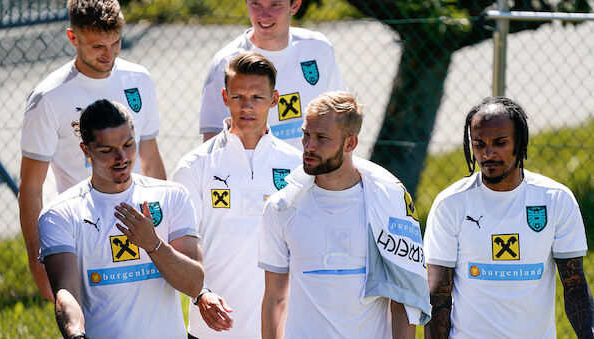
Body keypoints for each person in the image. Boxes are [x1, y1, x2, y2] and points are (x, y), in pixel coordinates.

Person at [19, 0, 166, 302]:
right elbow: (31, 188)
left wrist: (162, 231)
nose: (109, 54)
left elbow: (151, 159)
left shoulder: (138, 79)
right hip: (83, 237)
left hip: (138, 230)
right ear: (73, 38)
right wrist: (39, 262)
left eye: (116, 42)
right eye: (98, 46)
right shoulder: (48, 97)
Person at [258, 91, 431, 339]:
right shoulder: (282, 208)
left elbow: (403, 299)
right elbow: (274, 298)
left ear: (350, 144)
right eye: (306, 134)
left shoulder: (387, 206)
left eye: (322, 138)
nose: (309, 146)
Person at [424, 97, 592, 339]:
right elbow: (438, 296)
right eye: (479, 144)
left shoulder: (555, 199)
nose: (488, 154)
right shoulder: (450, 204)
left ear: (519, 142)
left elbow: (575, 286)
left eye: (500, 143)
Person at [38, 99, 203, 339]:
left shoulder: (172, 196)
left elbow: (194, 284)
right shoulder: (61, 214)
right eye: (107, 150)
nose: (122, 157)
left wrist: (153, 245)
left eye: (128, 144)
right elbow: (66, 291)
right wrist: (76, 335)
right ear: (86, 151)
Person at [173, 52, 301, 339]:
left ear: (274, 99)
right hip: (212, 331)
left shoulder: (298, 166)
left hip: (283, 329)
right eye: (238, 96)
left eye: (257, 97)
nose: (247, 106)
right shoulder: (195, 166)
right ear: (224, 96)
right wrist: (200, 294)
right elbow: (183, 246)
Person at [199, 0, 345, 149]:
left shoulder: (318, 48)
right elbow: (214, 140)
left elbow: (339, 117)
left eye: (275, 5)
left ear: (295, 5)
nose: (264, 15)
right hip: (256, 171)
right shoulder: (226, 62)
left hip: (312, 170)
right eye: (256, 4)